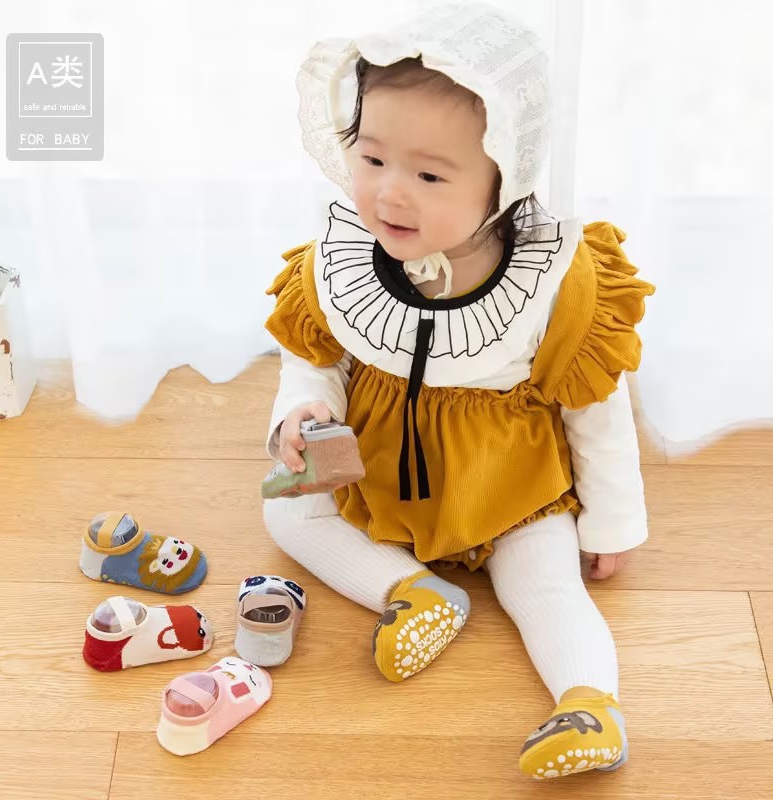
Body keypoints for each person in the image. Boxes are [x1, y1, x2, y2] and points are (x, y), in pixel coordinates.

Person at [262, 1, 654, 780]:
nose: (389, 194)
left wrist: (611, 522)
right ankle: (412, 592)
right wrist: (304, 416)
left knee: (543, 579)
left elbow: (595, 410)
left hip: (506, 484)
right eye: (372, 159)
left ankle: (589, 704)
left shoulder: (551, 282)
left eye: (429, 175)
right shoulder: (344, 259)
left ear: (504, 179)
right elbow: (315, 358)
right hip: (379, 467)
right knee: (287, 509)